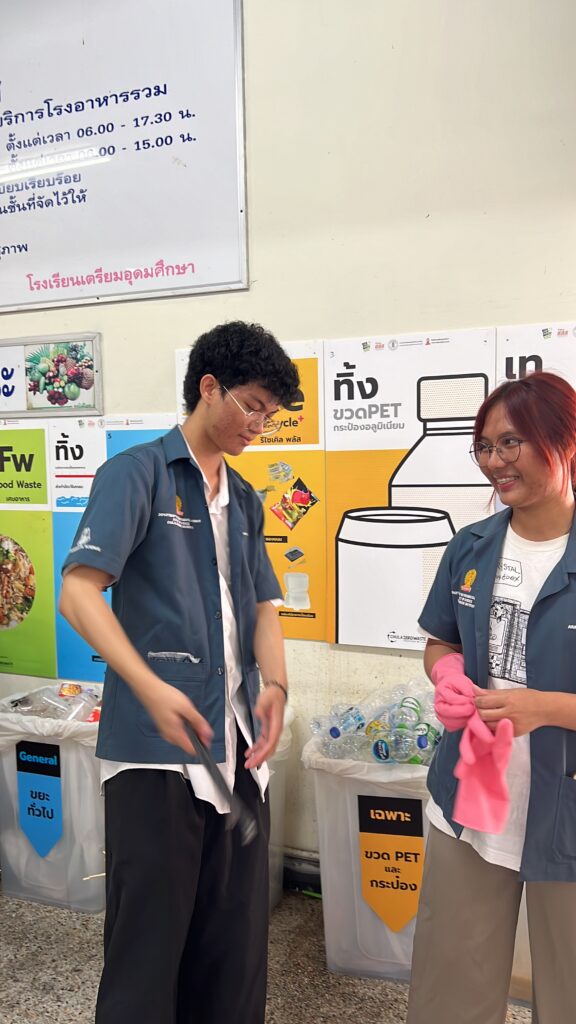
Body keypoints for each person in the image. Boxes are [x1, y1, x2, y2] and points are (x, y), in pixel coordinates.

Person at [59, 321, 300, 1024]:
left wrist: (276, 686)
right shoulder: (136, 474)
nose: (259, 425)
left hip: (236, 747)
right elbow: (78, 592)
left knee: (233, 949)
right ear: (209, 388)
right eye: (252, 406)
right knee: (148, 950)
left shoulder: (245, 498)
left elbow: (263, 607)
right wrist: (148, 685)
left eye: (269, 415)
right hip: (154, 752)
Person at [406, 370, 576, 1024]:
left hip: (564, 804)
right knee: (452, 981)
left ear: (564, 441)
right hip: (473, 797)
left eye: (512, 443)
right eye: (485, 446)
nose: (495, 461)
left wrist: (548, 709)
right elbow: (440, 641)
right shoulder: (471, 546)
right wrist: (447, 677)